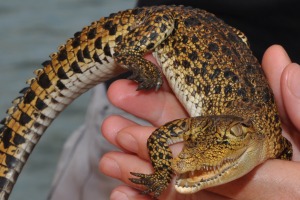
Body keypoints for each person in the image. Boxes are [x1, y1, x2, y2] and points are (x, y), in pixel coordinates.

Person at [99, 0, 300, 199]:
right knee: (165, 23)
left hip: (232, 66)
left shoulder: (275, 143)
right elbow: (159, 139)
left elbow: (285, 148)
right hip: (152, 41)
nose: (184, 163)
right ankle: (128, 54)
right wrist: (162, 172)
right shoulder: (202, 126)